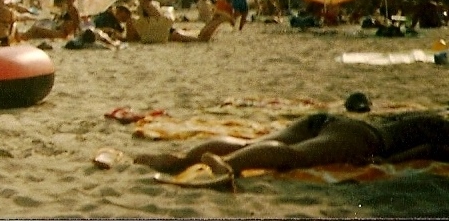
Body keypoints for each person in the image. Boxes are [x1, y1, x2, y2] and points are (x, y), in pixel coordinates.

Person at [134, 94, 449, 179]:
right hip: (367, 138)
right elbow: (430, 148)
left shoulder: (431, 117)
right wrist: (389, 160)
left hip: (332, 120)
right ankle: (229, 166)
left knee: (250, 143)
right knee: (297, 157)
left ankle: (179, 162)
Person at [131, 0, 231, 44]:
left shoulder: (149, 5)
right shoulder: (149, 5)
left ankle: (218, 21)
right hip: (169, 32)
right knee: (199, 38)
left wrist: (146, 10)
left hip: (170, 33)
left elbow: (158, 17)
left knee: (200, 39)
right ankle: (216, 21)